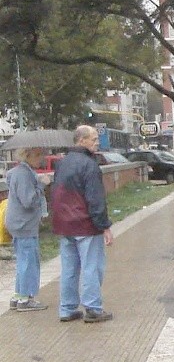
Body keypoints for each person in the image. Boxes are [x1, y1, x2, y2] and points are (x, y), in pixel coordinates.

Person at [51, 125, 114, 323]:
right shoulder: (89, 165)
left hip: (64, 224)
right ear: (81, 141)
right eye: (94, 139)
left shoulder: (62, 163)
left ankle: (67, 309)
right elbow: (95, 199)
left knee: (69, 269)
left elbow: (57, 193)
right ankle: (93, 308)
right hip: (85, 224)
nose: (97, 142)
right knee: (91, 267)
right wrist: (104, 225)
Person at [5, 147, 50, 312]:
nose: (41, 158)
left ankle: (18, 296)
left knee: (23, 259)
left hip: (19, 223)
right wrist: (41, 184)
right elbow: (28, 201)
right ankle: (26, 298)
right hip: (24, 224)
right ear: (27, 156)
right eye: (38, 155)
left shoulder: (20, 172)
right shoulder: (24, 174)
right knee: (29, 260)